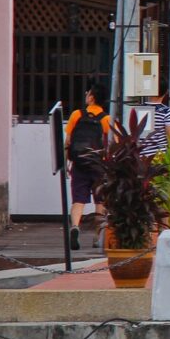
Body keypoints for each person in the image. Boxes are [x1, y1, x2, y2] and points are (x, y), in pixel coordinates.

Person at [65, 83, 112, 251]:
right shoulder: (106, 119)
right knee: (100, 200)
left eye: (88, 93)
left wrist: (67, 162)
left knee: (78, 200)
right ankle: (97, 236)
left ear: (91, 97)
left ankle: (75, 227)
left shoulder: (77, 114)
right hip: (98, 165)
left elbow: (68, 141)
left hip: (79, 163)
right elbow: (111, 144)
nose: (86, 94)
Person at [138, 85, 170, 159]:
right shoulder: (167, 111)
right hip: (159, 157)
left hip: (140, 156)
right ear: (166, 92)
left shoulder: (138, 109)